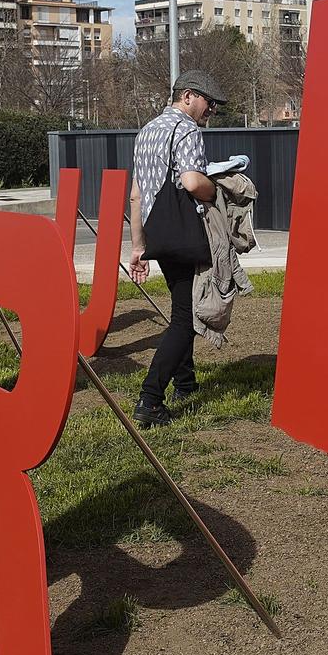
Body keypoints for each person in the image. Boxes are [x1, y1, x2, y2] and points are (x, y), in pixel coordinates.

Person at [127, 70, 224, 427]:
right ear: (187, 96)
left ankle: (186, 382)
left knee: (180, 305)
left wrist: (138, 247)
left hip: (157, 233)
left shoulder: (146, 131)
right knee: (185, 319)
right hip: (184, 232)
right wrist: (217, 191)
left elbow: (136, 195)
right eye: (208, 102)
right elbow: (191, 180)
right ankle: (151, 398)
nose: (210, 110)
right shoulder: (186, 130)